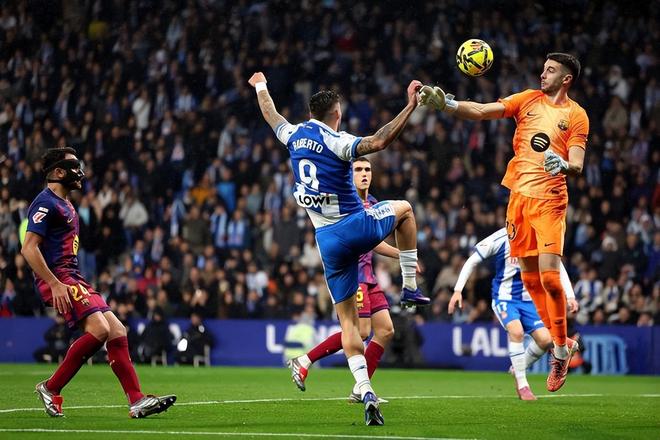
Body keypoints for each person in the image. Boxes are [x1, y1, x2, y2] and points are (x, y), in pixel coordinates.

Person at [249, 71, 429, 426]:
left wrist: (261, 86)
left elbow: (271, 115)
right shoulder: (337, 140)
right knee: (406, 210)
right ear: (337, 113)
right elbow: (380, 140)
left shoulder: (293, 135)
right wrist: (410, 106)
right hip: (353, 225)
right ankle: (410, 286)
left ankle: (365, 389)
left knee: (349, 324)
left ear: (311, 113)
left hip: (326, 242)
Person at [421, 52, 589, 391]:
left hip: (550, 200)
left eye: (551, 70)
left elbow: (577, 163)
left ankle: (560, 350)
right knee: (530, 279)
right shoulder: (527, 99)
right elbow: (483, 111)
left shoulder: (576, 115)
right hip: (518, 200)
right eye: (543, 68)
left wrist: (563, 165)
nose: (543, 74)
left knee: (550, 278)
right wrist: (448, 105)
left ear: (566, 79)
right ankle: (561, 346)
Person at [21, 147, 176, 418]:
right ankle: (51, 387)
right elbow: (28, 248)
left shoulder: (67, 204)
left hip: (73, 276)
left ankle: (136, 400)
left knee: (117, 331)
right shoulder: (45, 203)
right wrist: (55, 284)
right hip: (59, 278)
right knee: (100, 329)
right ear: (59, 172)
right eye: (74, 166)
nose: (80, 172)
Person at [288, 157, 415, 403]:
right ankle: (304, 360)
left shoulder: (374, 203)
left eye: (368, 169)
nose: (364, 174)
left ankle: (360, 389)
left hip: (369, 277)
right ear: (349, 174)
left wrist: (402, 254)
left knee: (386, 330)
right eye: (358, 169)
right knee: (361, 330)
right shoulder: (344, 203)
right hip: (352, 276)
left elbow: (374, 240)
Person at [448, 227, 579, 400]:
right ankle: (523, 385)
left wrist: (570, 296)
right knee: (516, 332)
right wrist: (458, 290)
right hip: (505, 299)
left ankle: (518, 368)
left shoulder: (539, 237)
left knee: (546, 340)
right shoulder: (502, 237)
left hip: (529, 301)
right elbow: (472, 260)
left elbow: (557, 267)